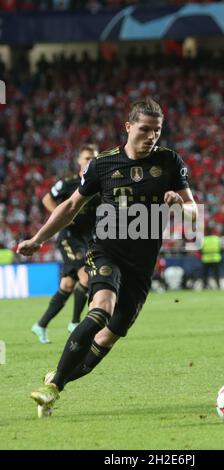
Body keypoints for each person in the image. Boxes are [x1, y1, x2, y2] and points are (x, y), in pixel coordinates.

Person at [17, 98, 197, 417]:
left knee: (107, 339)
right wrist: (37, 239)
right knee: (101, 307)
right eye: (144, 129)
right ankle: (53, 388)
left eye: (157, 130)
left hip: (141, 265)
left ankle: (57, 378)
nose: (151, 136)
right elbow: (71, 206)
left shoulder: (170, 161)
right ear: (128, 127)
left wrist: (179, 205)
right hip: (106, 250)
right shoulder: (103, 164)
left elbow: (194, 213)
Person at [31, 144, 100, 344]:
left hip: (87, 239)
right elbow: (47, 199)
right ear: (79, 161)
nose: (90, 162)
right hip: (69, 238)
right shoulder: (69, 183)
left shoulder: (98, 184)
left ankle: (41, 325)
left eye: (93, 158)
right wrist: (60, 216)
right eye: (86, 158)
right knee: (86, 276)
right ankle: (75, 323)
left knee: (67, 284)